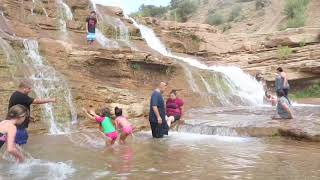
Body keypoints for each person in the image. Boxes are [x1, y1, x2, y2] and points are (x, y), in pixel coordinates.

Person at [8, 80, 56, 145]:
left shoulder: (17, 94)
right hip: (18, 124)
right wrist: (51, 100)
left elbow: (20, 107)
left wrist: (28, 117)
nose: (30, 90)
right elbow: (36, 101)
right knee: (19, 142)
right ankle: (17, 152)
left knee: (17, 141)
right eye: (29, 88)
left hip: (17, 122)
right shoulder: (20, 96)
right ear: (24, 88)